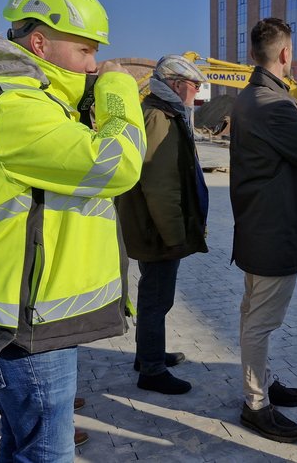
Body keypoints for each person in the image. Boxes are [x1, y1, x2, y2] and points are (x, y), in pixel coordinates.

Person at [0, 0, 144, 462]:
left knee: (21, 445)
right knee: (47, 453)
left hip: (30, 314)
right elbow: (117, 164)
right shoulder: (15, 106)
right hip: (23, 324)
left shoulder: (37, 104)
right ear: (40, 43)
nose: (94, 63)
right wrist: (117, 90)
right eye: (85, 50)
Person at [229, 17, 297, 444]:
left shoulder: (249, 97)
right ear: (286, 53)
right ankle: (256, 405)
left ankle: (263, 382)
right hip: (272, 232)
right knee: (260, 322)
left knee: (252, 313)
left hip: (257, 227)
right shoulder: (275, 104)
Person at [116, 55, 209, 395]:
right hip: (156, 229)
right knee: (157, 298)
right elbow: (160, 184)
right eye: (194, 85)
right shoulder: (159, 118)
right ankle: (152, 370)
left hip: (151, 225)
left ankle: (148, 354)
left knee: (154, 295)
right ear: (175, 84)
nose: (197, 91)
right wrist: (174, 235)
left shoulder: (164, 112)